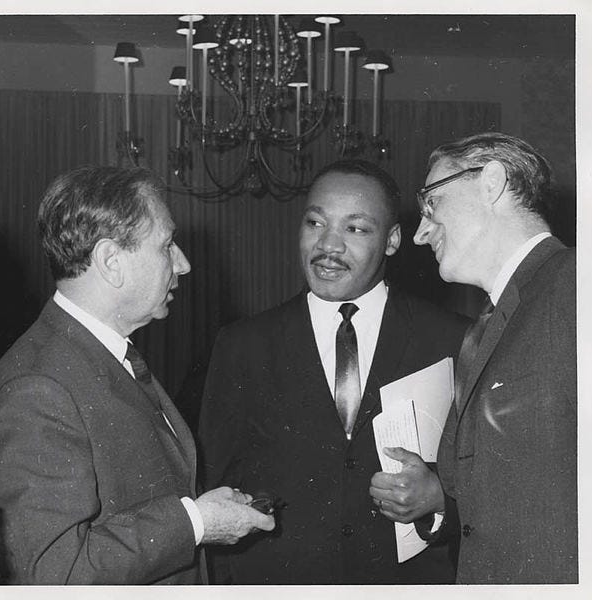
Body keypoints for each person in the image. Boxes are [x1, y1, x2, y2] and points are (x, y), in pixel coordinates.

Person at [0, 165, 274, 585]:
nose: (184, 264)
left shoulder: (104, 354)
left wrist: (203, 513)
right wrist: (195, 521)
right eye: (167, 245)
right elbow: (52, 574)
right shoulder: (37, 386)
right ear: (110, 261)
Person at [198, 159, 469, 584]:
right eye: (315, 223)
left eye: (355, 228)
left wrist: (438, 500)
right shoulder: (241, 345)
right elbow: (215, 485)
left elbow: (494, 485)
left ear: (393, 239)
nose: (329, 245)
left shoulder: (452, 340)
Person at [369, 132, 577, 583]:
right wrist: (437, 497)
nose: (421, 233)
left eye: (432, 204)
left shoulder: (575, 284)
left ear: (491, 183)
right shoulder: (480, 331)